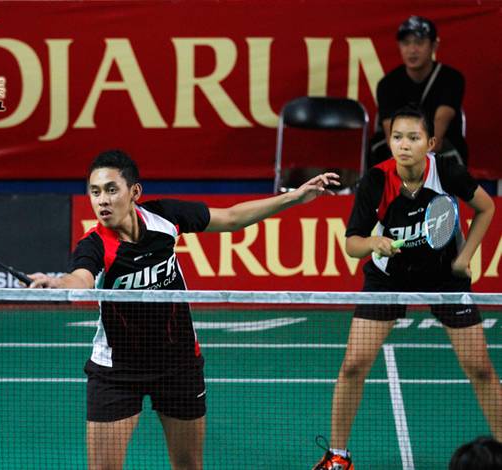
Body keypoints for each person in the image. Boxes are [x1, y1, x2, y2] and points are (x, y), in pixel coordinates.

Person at [28, 149, 340, 470]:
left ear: (134, 192)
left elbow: (232, 218)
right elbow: (80, 277)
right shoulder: (93, 245)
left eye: (111, 189)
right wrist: (59, 283)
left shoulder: (165, 216)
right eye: (95, 192)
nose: (102, 200)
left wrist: (294, 198)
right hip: (117, 370)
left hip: (177, 363)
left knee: (189, 465)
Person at [313, 106, 501, 470]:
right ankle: (337, 456)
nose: (404, 145)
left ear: (430, 143)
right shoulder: (376, 180)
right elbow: (352, 244)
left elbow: (486, 207)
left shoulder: (446, 172)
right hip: (389, 277)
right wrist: (373, 243)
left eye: (413, 138)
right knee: (353, 365)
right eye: (397, 137)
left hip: (445, 277)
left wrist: (464, 258)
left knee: (480, 367)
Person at [369, 16, 467, 167]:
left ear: (434, 46)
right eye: (406, 43)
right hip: (400, 154)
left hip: (438, 152)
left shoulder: (451, 79)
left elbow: (437, 134)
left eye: (419, 43)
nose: (412, 50)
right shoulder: (387, 84)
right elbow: (392, 135)